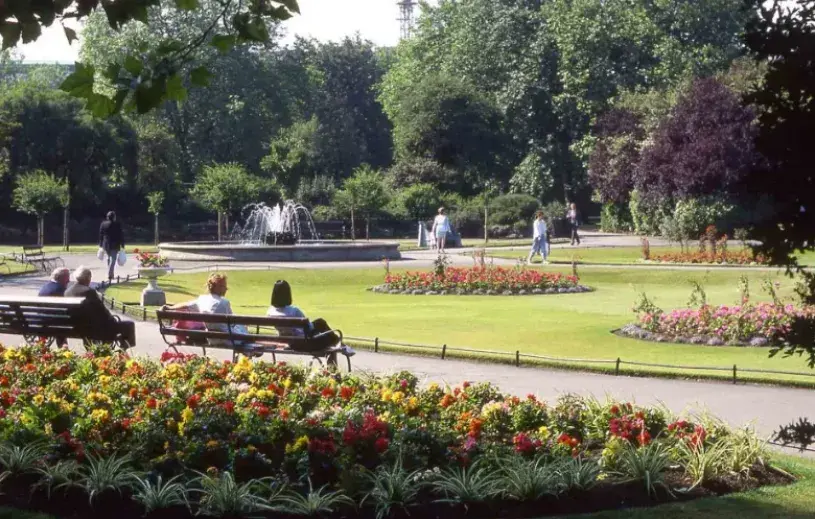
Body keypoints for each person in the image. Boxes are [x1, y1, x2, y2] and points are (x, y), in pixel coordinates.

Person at [163, 273, 260, 357]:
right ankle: (248, 350)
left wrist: (169, 308)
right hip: (228, 339)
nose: (226, 288)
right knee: (242, 328)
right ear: (217, 287)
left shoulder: (201, 299)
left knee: (240, 329)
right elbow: (233, 321)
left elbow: (185, 305)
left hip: (211, 338)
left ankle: (247, 350)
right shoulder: (224, 302)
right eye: (223, 286)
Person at [266, 280, 354, 365]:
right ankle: (341, 347)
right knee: (325, 332)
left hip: (291, 343)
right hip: (305, 344)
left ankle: (341, 345)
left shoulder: (270, 312)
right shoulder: (294, 310)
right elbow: (309, 327)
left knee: (321, 325)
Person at [64, 266, 136, 348]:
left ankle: (97, 349)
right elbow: (102, 311)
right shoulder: (88, 291)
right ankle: (123, 350)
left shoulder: (67, 291)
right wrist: (112, 319)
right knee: (129, 324)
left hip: (76, 327)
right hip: (93, 328)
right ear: (87, 278)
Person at [99, 211, 125, 281]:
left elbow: (101, 235)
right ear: (114, 217)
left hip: (106, 244)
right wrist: (122, 244)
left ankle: (111, 273)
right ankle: (110, 274)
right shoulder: (117, 224)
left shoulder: (103, 224)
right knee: (113, 259)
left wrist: (101, 244)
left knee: (109, 258)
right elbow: (120, 235)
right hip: (115, 244)